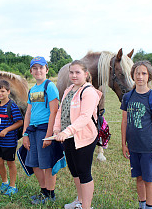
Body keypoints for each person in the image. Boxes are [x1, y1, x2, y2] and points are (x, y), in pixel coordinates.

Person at [54, 60, 102, 209]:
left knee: (84, 172)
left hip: (84, 137)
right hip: (68, 137)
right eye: (71, 72)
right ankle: (79, 200)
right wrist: (57, 129)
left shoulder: (89, 91)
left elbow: (85, 117)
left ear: (85, 74)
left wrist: (66, 131)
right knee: (74, 171)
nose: (74, 75)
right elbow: (60, 111)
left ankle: (86, 206)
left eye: (77, 72)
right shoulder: (69, 90)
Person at [120, 60, 152, 209]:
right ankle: (142, 205)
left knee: (149, 180)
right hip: (134, 146)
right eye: (137, 73)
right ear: (132, 75)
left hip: (150, 147)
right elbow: (124, 122)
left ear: (149, 76)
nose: (140, 76)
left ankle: (150, 206)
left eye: (143, 73)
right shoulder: (127, 97)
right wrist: (123, 144)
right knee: (139, 178)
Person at [22, 56, 59, 204]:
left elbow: (54, 111)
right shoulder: (32, 89)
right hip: (33, 131)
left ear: (46, 70)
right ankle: (43, 191)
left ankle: (50, 195)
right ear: (31, 71)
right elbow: (29, 113)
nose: (38, 71)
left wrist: (49, 135)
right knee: (34, 163)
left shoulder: (49, 86)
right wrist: (25, 133)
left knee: (48, 164)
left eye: (41, 67)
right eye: (35, 68)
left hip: (45, 130)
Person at [0, 80, 23, 196]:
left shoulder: (12, 106)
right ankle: (5, 182)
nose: (0, 94)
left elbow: (20, 122)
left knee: (10, 163)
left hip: (9, 141)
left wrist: (6, 130)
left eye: (3, 91)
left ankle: (12, 186)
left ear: (8, 92)